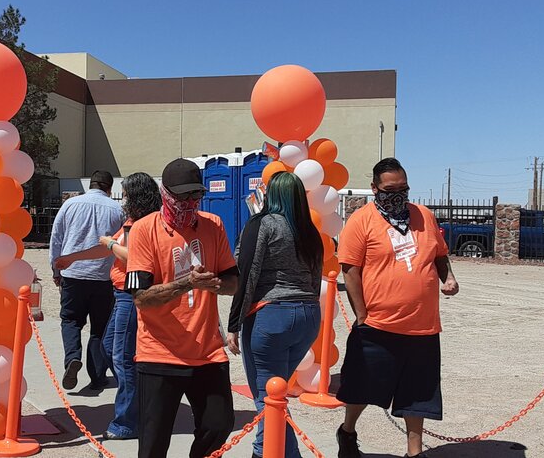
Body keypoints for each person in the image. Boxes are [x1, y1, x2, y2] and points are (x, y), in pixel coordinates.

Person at [334, 158, 459, 458]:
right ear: (374, 188)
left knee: (418, 394)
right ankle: (348, 430)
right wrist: (361, 315)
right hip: (377, 326)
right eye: (390, 189)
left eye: (403, 188)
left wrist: (449, 277)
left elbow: (439, 254)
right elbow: (350, 270)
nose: (398, 194)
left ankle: (414, 452)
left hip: (423, 326)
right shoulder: (361, 221)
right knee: (361, 388)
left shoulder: (424, 216)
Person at [125, 158, 239, 458]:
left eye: (195, 195)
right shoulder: (143, 230)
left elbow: (233, 282)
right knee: (153, 443)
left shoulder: (213, 225)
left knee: (220, 425)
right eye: (182, 196)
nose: (189, 202)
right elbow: (141, 298)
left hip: (207, 352)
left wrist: (215, 284)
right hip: (158, 353)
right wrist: (188, 283)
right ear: (165, 194)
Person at [54, 172, 161, 441]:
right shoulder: (132, 221)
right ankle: (140, 401)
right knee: (109, 347)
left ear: (136, 196)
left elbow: (134, 254)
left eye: (125, 194)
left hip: (130, 293)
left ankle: (127, 421)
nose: (122, 198)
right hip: (119, 291)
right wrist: (71, 258)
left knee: (122, 357)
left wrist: (111, 244)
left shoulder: (146, 223)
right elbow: (107, 250)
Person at [227, 171, 323, 458]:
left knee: (266, 398)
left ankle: (274, 454)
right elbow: (315, 279)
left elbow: (247, 274)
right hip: (308, 315)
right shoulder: (311, 231)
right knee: (275, 395)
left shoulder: (262, 224)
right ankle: (267, 450)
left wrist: (234, 324)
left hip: (271, 315)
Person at [49, 170, 125, 391]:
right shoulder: (116, 209)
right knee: (99, 327)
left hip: (73, 274)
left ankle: (72, 357)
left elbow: (57, 237)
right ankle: (98, 376)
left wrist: (56, 268)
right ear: (109, 188)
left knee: (71, 320)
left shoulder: (70, 205)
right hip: (104, 276)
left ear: (90, 184)